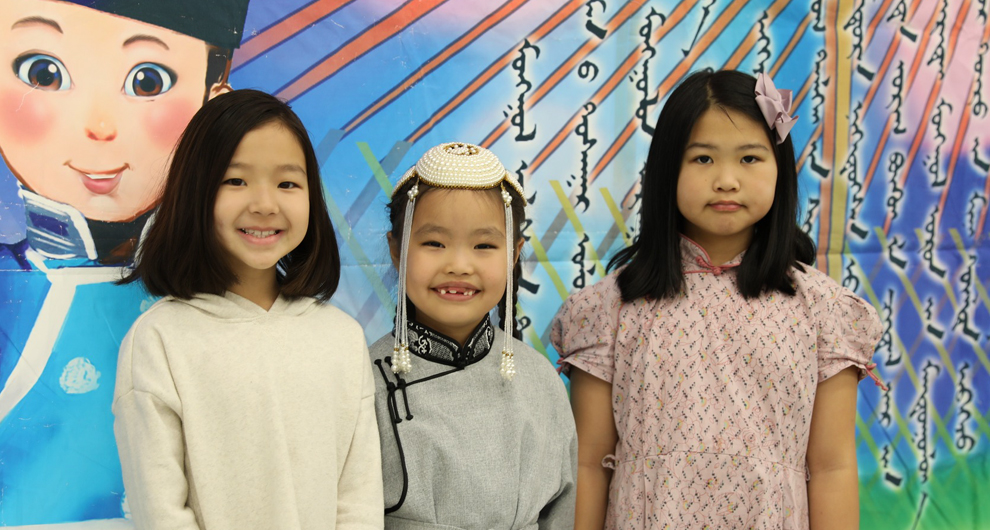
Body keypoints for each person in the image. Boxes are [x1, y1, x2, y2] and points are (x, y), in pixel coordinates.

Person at [552, 70, 885, 530]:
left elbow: (832, 468)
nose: (727, 180)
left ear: (779, 168)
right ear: (667, 170)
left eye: (749, 158)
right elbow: (589, 464)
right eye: (703, 158)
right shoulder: (609, 308)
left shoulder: (823, 310)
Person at [0, 0, 249, 523]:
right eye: (43, 74)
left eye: (148, 81)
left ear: (213, 101)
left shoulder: (223, 285)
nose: (99, 125)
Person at [113, 89, 383, 528]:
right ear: (194, 193)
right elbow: (162, 512)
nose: (264, 204)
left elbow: (359, 501)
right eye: (235, 181)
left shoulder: (342, 338)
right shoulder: (159, 341)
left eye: (287, 183)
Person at [370, 142, 576, 529]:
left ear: (514, 254)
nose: (459, 265)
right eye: (434, 243)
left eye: (484, 245)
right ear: (396, 249)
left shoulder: (540, 378)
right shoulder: (363, 380)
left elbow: (563, 512)